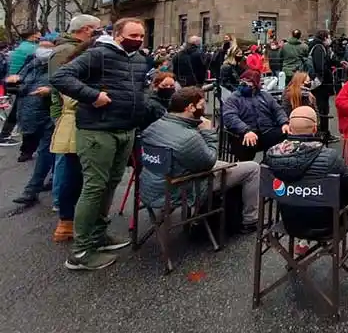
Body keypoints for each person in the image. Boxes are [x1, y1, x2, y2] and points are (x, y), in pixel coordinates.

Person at [51, 17, 149, 271]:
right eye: (133, 35)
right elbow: (61, 77)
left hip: (125, 130)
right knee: (94, 187)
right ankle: (81, 251)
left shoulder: (138, 60)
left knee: (110, 184)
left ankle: (98, 236)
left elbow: (138, 90)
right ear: (117, 34)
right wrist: (93, 96)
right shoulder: (98, 54)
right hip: (97, 131)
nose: (138, 40)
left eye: (141, 36)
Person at [265, 106, 348, 255]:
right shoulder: (330, 157)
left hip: (289, 222)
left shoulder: (271, 156)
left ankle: (303, 241)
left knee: (297, 193)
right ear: (315, 129)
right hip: (326, 226)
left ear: (289, 129)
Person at [140, 86, 261, 233]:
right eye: (202, 105)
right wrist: (208, 131)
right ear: (190, 107)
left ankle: (212, 214)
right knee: (253, 168)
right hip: (181, 188)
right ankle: (250, 221)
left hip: (151, 185)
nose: (204, 109)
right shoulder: (188, 137)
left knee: (228, 165)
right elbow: (209, 161)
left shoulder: (154, 127)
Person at [49, 19, 103, 242]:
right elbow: (67, 95)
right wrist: (98, 96)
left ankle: (71, 220)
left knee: (75, 174)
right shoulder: (76, 68)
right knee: (72, 174)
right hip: (75, 124)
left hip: (76, 122)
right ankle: (68, 222)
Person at [11, 43, 55, 207]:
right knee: (48, 153)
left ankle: (32, 190)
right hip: (28, 115)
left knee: (45, 152)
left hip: (48, 115)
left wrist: (50, 91)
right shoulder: (32, 65)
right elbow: (20, 85)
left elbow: (64, 85)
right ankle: (48, 181)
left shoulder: (57, 65)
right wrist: (14, 82)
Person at [221, 69, 289, 158]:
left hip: (267, 130)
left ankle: (271, 162)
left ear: (255, 84)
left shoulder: (265, 96)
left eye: (248, 81)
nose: (243, 83)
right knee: (248, 143)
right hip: (244, 132)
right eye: (242, 80)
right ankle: (247, 169)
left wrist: (284, 123)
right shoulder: (234, 98)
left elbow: (277, 110)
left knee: (285, 133)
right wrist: (246, 130)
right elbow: (230, 116)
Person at [308, 30, 337, 140]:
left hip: (319, 83)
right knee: (322, 109)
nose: (330, 39)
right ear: (325, 37)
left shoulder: (315, 46)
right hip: (322, 84)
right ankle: (323, 133)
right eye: (329, 37)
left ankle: (323, 132)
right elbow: (321, 66)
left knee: (321, 108)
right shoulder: (319, 48)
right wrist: (326, 73)